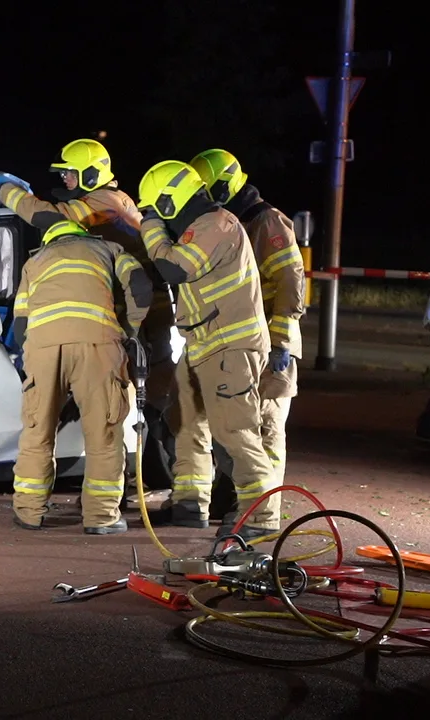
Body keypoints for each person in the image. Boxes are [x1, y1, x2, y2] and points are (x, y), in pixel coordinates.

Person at [0, 139, 178, 497]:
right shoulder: (109, 201)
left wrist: (7, 192)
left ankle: (132, 488)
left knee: (124, 409)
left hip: (140, 317)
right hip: (135, 315)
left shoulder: (104, 203)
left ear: (91, 174)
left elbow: (52, 220)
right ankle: (124, 489)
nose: (65, 179)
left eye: (70, 173)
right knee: (125, 407)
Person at [130, 160, 278, 540]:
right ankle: (191, 503)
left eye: (153, 207)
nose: (152, 214)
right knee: (186, 421)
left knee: (236, 432)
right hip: (202, 345)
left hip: (230, 347)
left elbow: (174, 269)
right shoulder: (199, 228)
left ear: (168, 201)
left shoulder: (217, 224)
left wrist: (149, 228)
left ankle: (259, 517)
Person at [190, 149, 305, 533]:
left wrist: (282, 343)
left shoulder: (267, 221)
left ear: (223, 185)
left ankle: (262, 516)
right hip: (242, 341)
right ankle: (237, 505)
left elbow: (290, 283)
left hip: (271, 345)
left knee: (267, 428)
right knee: (237, 426)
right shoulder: (228, 223)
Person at [10, 219, 139, 534]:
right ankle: (101, 517)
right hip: (98, 344)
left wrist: (31, 361)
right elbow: (141, 285)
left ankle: (29, 511)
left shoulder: (34, 261)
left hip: (42, 348)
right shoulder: (109, 249)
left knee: (37, 431)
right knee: (104, 434)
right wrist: (132, 332)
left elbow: (20, 324)